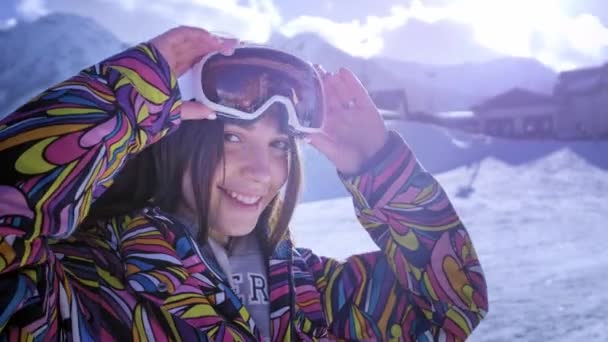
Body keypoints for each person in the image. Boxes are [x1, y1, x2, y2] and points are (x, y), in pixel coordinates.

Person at [0, 26, 488, 341]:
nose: (262, 171)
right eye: (233, 137)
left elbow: (447, 305)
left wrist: (378, 166)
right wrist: (123, 102)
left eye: (279, 145)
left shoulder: (305, 291)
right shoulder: (93, 287)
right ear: (173, 141)